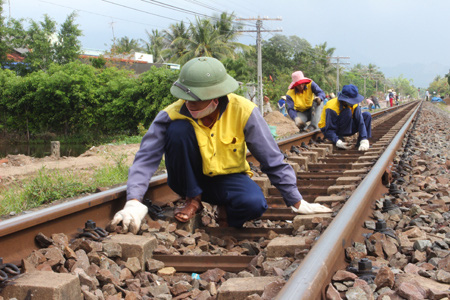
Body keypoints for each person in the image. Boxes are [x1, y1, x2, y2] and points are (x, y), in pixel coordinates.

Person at [110, 57, 331, 234]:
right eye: (187, 98)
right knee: (179, 130)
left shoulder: (244, 111)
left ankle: (226, 212)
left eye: (196, 99)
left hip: (227, 178)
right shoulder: (171, 114)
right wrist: (133, 200)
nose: (189, 104)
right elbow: (145, 159)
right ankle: (193, 199)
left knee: (255, 204)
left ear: (215, 97)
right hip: (187, 180)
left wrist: (296, 200)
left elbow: (271, 159)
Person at [318, 84, 372, 151]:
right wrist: (337, 141)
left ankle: (360, 143)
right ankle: (339, 137)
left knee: (367, 115)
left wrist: (364, 139)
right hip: (331, 130)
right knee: (347, 111)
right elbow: (329, 129)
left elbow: (360, 122)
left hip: (347, 127)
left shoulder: (354, 104)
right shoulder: (331, 107)